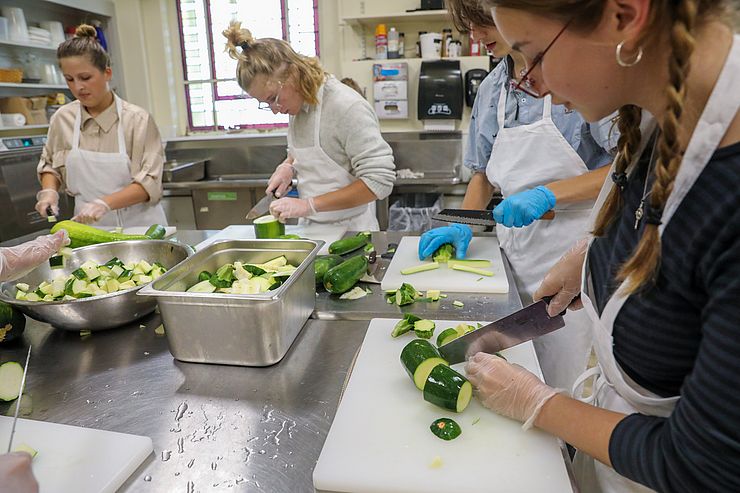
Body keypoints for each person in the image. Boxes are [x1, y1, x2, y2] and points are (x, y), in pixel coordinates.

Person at [467, 0, 740, 491]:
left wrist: (538, 402)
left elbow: (704, 467)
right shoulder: (654, 115)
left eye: (533, 55)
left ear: (624, 16)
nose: (529, 82)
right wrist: (587, 256)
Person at [419, 0, 618, 391]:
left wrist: (548, 194)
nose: (475, 36)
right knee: (510, 372)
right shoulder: (493, 87)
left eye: (480, 22)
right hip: (512, 256)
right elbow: (482, 174)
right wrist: (465, 224)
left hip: (572, 253)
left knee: (561, 379)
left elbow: (626, 170)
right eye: (467, 28)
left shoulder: (574, 75)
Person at [223, 22, 396, 231]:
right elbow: (314, 151)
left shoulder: (346, 106)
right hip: (312, 229)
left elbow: (379, 181)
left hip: (352, 233)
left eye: (273, 98)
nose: (276, 110)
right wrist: (288, 166)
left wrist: (308, 205)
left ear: (294, 73)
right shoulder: (296, 104)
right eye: (266, 103)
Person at [35, 24, 167, 228]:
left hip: (140, 229)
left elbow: (149, 183)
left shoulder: (138, 120)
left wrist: (104, 203)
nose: (78, 87)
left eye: (85, 78)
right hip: (88, 230)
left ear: (107, 73)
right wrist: (49, 192)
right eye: (70, 79)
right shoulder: (63, 119)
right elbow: (50, 165)